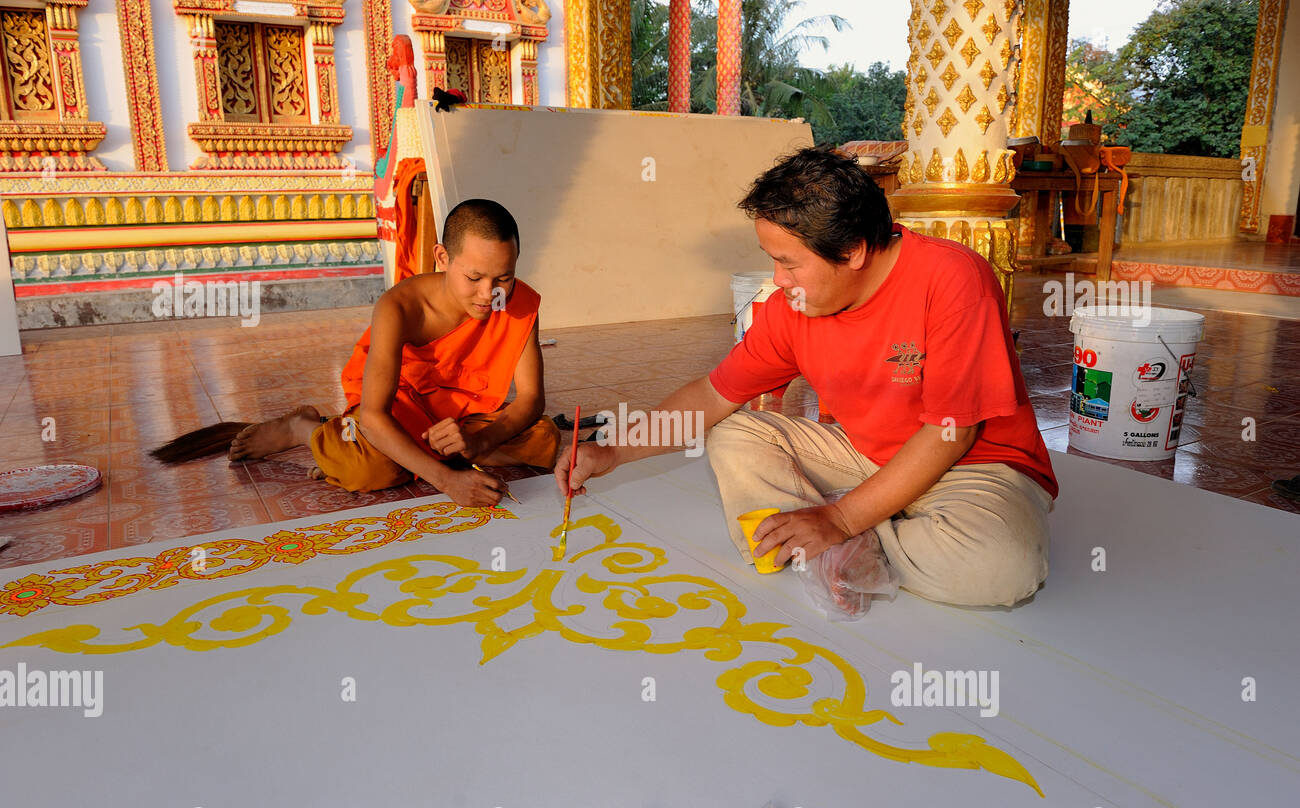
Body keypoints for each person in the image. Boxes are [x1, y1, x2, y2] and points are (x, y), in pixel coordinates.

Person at [557, 146, 1058, 608]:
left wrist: (840, 519)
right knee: (734, 432)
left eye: (788, 262)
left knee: (1001, 569)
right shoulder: (791, 308)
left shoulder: (952, 279)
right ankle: (838, 533)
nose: (778, 280)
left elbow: (953, 434)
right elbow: (712, 395)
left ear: (855, 250)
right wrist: (612, 452)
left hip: (974, 466)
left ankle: (840, 535)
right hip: (866, 455)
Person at [157, 199, 559, 508]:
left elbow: (530, 399)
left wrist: (479, 440)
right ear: (442, 258)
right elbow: (374, 415)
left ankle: (405, 450)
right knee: (372, 467)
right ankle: (306, 430)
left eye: (503, 278)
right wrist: (447, 480)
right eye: (474, 277)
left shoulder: (518, 301)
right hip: (399, 408)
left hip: (461, 417)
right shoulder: (399, 307)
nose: (489, 294)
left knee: (544, 438)